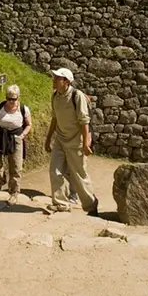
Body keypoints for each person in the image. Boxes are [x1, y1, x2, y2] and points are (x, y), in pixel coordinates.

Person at [43, 68, 98, 216]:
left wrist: (86, 143)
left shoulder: (77, 96)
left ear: (66, 81)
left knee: (79, 175)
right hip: (60, 139)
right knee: (55, 170)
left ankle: (91, 205)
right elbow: (54, 118)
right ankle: (61, 204)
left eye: (57, 78)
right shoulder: (55, 96)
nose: (54, 80)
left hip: (76, 141)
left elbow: (84, 121)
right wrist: (48, 139)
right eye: (54, 77)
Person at [0, 84, 32, 206]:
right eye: (8, 98)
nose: (10, 101)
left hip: (16, 138)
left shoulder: (23, 109)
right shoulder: (0, 107)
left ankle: (14, 192)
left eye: (13, 99)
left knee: (16, 167)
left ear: (18, 97)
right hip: (1, 135)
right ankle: (1, 179)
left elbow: (28, 125)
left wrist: (22, 135)